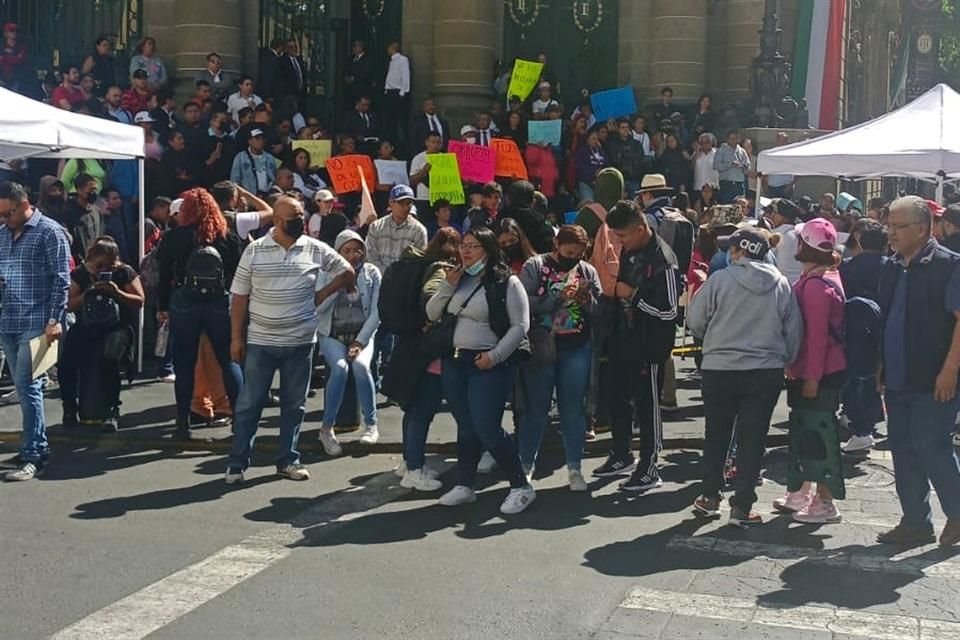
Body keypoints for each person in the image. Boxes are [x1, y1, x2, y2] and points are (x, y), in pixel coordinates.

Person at [224, 195, 353, 484]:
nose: (301, 221)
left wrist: (322, 293)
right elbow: (239, 298)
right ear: (278, 221)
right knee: (249, 404)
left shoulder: (315, 248)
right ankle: (237, 462)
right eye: (295, 217)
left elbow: (347, 270)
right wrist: (236, 338)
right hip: (261, 341)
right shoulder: (254, 251)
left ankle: (288, 460)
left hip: (300, 342)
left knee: (294, 406)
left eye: (301, 216)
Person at [688, 226, 802, 525]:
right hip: (764, 370)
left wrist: (712, 337)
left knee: (716, 435)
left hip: (720, 367)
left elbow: (695, 320)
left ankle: (710, 496)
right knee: (753, 439)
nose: (728, 252)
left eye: (732, 247)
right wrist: (784, 359)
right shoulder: (781, 284)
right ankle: (742, 506)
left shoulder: (719, 280)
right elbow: (793, 331)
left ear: (741, 251)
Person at [427, 227, 534, 513]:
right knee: (466, 426)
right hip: (455, 361)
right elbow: (431, 313)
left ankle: (520, 485)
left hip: (487, 363)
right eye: (464, 245)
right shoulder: (456, 278)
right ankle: (464, 483)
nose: (466, 251)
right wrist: (447, 286)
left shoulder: (506, 281)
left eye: (473, 246)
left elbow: (520, 326)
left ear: (487, 249)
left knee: (487, 427)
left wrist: (495, 356)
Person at [875, 196, 960, 547]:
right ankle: (915, 521)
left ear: (923, 228)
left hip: (934, 376)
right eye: (889, 226)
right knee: (903, 447)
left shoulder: (949, 265)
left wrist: (950, 370)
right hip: (898, 376)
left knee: (932, 445)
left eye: (898, 227)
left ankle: (956, 514)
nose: (890, 233)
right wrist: (881, 364)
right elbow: (888, 317)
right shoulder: (892, 265)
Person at [593, 200, 678, 493]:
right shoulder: (631, 251)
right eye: (616, 237)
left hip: (650, 345)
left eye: (624, 236)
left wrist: (635, 296)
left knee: (647, 406)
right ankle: (621, 454)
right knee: (617, 397)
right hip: (623, 337)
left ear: (641, 229)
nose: (620, 242)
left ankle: (649, 466)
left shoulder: (663, 260)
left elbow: (669, 311)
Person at [774, 218, 848, 524]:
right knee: (807, 431)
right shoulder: (822, 277)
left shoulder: (817, 286)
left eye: (801, 240)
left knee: (820, 434)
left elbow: (817, 338)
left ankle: (825, 501)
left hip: (819, 371)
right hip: (813, 369)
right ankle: (802, 492)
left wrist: (812, 378)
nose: (796, 244)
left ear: (808, 246)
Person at [518, 225, 601, 491]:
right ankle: (525, 463)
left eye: (578, 254)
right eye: (568, 252)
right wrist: (555, 299)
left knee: (573, 408)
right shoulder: (535, 266)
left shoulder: (587, 270)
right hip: (542, 343)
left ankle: (574, 466)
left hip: (576, 343)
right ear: (556, 244)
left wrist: (587, 299)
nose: (573, 258)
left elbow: (600, 308)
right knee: (536, 409)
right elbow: (522, 302)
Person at [157, 188, 244, 438]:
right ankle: (240, 420)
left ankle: (183, 423)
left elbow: (165, 275)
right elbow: (239, 274)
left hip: (185, 302)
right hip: (219, 303)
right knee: (228, 361)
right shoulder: (226, 236)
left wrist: (163, 307)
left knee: (184, 364)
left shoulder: (175, 236)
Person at [0, 182, 70, 480]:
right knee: (25, 387)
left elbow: (61, 279)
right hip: (9, 320)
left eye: (8, 212)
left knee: (29, 387)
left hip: (39, 321)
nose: (4, 219)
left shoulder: (49, 232)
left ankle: (35, 453)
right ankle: (33, 447)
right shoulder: (2, 235)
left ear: (24, 203)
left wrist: (55, 320)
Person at [60, 237, 144, 431]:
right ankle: (70, 408)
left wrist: (117, 292)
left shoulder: (124, 272)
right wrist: (88, 292)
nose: (103, 269)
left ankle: (112, 409)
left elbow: (139, 300)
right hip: (86, 325)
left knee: (110, 357)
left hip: (116, 326)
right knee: (67, 362)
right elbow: (69, 305)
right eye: (100, 265)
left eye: (108, 265)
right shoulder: (80, 274)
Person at [315, 229, 379, 451]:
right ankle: (326, 428)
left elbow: (376, 312)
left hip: (361, 334)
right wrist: (338, 283)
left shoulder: (372, 273)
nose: (353, 255)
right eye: (347, 251)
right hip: (332, 333)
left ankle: (371, 424)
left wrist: (360, 342)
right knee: (340, 369)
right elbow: (318, 307)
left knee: (361, 367)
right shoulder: (324, 272)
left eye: (357, 250)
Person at [837, 219, 887, 453]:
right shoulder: (892, 267)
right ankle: (868, 423)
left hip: (854, 328)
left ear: (859, 240)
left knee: (856, 376)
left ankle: (859, 425)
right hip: (885, 326)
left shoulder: (847, 266)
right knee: (877, 377)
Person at [501, 180, 555, 254]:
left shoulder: (498, 220)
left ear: (507, 199)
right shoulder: (540, 222)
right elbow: (549, 248)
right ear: (533, 201)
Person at [230, 128, 277, 196]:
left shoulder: (270, 158)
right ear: (250, 141)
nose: (261, 141)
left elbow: (275, 177)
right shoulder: (240, 157)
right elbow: (234, 180)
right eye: (257, 139)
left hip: (267, 196)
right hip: (249, 197)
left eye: (262, 139)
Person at [768, 198, 804, 285]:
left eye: (775, 212)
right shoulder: (801, 234)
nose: (771, 216)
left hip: (780, 285)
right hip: (799, 285)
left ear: (783, 216)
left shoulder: (777, 235)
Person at [382, 41, 411, 150]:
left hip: (397, 92)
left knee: (397, 120)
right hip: (389, 92)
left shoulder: (402, 60)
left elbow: (405, 76)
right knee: (389, 120)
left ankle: (400, 144)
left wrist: (402, 92)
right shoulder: (391, 61)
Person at [606, 118, 645, 195]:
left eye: (627, 127)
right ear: (618, 129)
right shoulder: (613, 144)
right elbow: (614, 160)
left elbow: (640, 158)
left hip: (633, 178)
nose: (625, 129)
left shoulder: (636, 144)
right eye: (623, 127)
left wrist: (624, 155)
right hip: (618, 179)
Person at [713, 130, 749, 204]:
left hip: (740, 183)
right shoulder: (721, 150)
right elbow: (716, 166)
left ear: (738, 139)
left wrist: (742, 165)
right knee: (727, 206)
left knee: (740, 206)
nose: (733, 140)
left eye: (735, 138)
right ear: (727, 139)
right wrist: (730, 164)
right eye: (731, 138)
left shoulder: (742, 151)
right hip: (726, 184)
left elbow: (748, 166)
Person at [763, 132, 795, 198]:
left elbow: (798, 171)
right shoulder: (769, 154)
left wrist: (790, 185)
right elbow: (764, 173)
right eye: (780, 141)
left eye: (784, 141)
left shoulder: (791, 155)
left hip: (785, 187)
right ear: (776, 141)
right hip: (771, 188)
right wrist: (765, 187)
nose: (781, 143)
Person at [345, 40, 375, 105]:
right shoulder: (350, 58)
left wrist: (354, 78)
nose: (353, 48)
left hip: (361, 90)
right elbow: (346, 69)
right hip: (350, 90)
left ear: (360, 47)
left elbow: (367, 73)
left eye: (355, 46)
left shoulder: (367, 59)